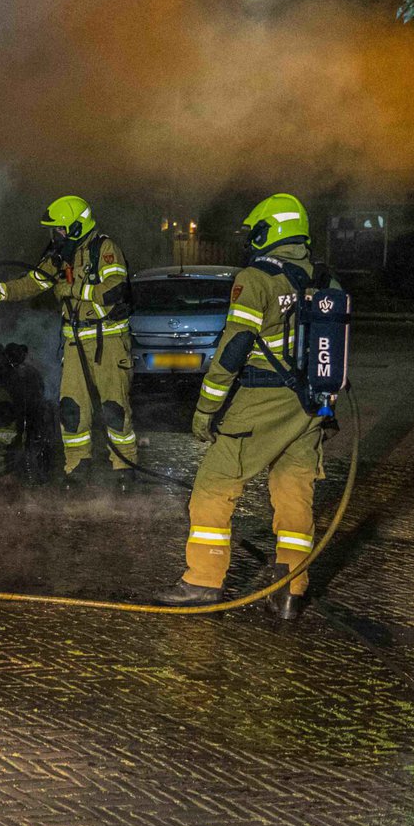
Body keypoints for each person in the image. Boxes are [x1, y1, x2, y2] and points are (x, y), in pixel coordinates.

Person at [155, 193, 337, 619]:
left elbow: (234, 348)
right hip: (309, 407)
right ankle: (291, 591)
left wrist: (205, 410)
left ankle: (202, 581)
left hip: (260, 404)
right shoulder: (325, 280)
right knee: (294, 497)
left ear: (266, 232)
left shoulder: (256, 279)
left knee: (213, 488)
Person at [0, 195, 136, 483]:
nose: (55, 235)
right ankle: (77, 468)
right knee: (71, 409)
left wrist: (73, 290)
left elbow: (115, 290)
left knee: (113, 409)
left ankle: (124, 469)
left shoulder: (104, 249)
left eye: (60, 229)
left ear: (77, 227)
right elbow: (33, 282)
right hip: (74, 343)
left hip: (109, 342)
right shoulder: (61, 256)